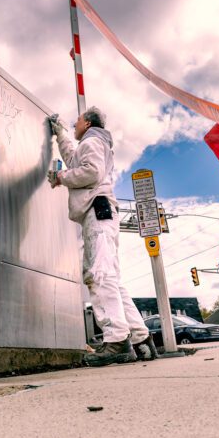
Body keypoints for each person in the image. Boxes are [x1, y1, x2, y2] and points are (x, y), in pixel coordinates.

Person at [48, 107, 158, 366]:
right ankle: (142, 340)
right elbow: (75, 159)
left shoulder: (93, 141)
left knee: (97, 274)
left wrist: (61, 177)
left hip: (97, 211)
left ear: (87, 122)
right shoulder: (91, 143)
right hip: (101, 212)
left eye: (76, 122)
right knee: (112, 279)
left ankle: (117, 341)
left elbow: (90, 172)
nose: (74, 126)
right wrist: (60, 134)